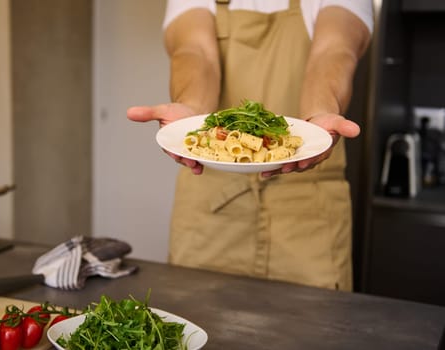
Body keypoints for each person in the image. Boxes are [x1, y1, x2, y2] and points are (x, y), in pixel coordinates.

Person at [127, 0, 373, 292]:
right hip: (210, 208)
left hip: (308, 216)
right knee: (198, 319)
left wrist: (319, 113)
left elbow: (333, 51)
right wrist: (191, 110)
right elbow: (195, 52)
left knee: (315, 327)